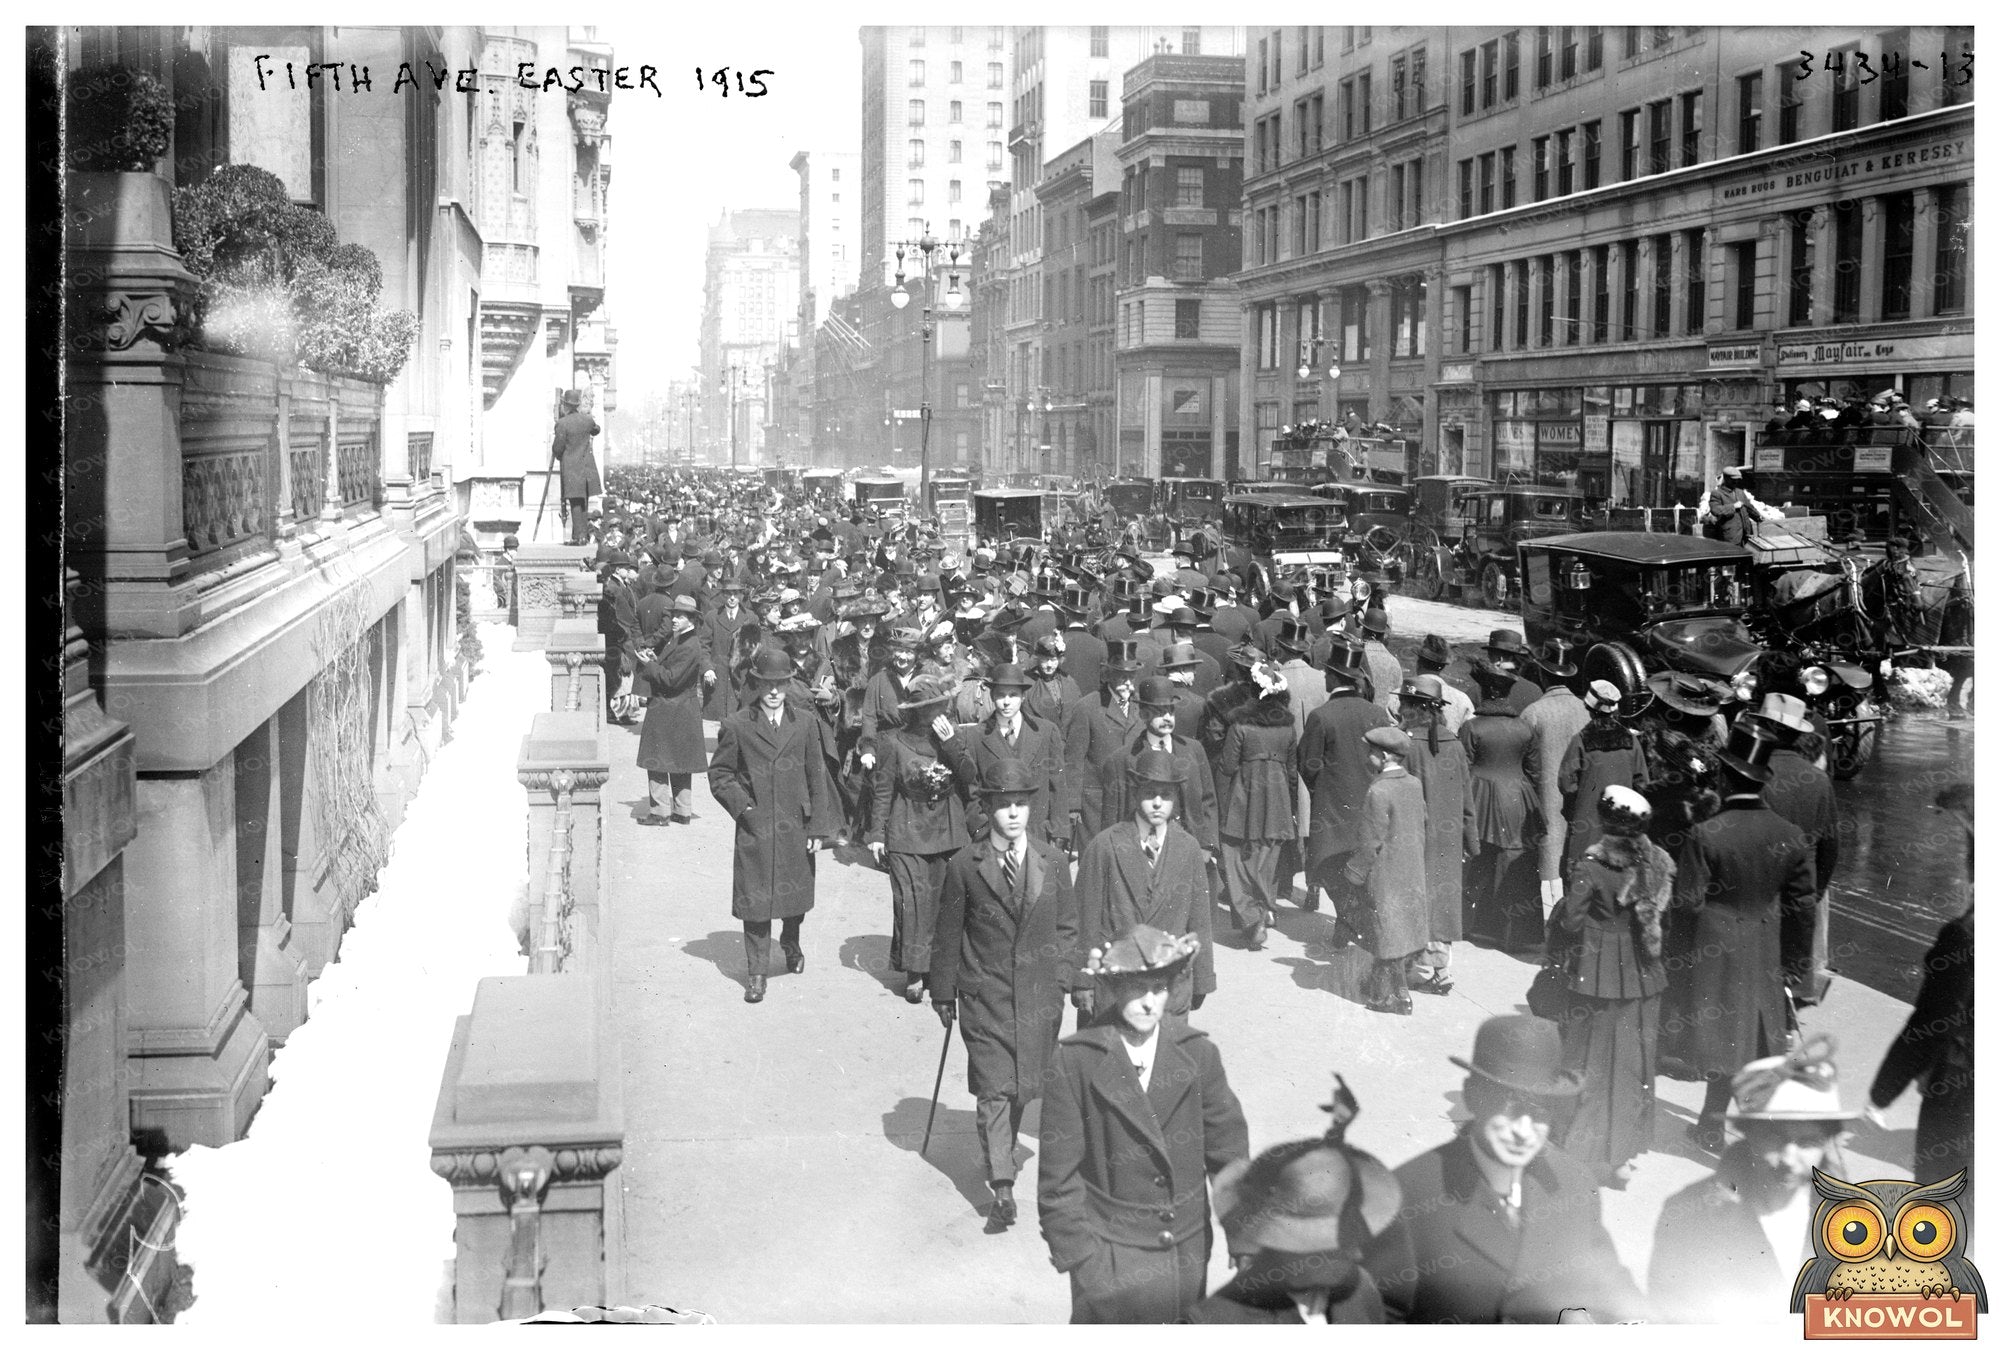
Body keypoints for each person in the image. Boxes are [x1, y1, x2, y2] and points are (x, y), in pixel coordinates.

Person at [1363, 1015, 1649, 1324]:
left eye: (1539, 1112)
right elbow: (1376, 1318)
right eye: (1509, 1109)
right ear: (1474, 1097)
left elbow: (1607, 1281)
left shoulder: (1574, 1182)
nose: (1523, 1132)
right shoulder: (1408, 1195)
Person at [1037, 924, 1250, 1323]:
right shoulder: (1076, 1061)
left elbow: (1230, 1155)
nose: (1150, 1003)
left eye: (1160, 988)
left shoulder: (1199, 1055)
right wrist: (1085, 1263)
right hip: (1109, 1255)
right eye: (1137, 989)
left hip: (1184, 1252)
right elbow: (1057, 1182)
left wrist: (1245, 1238)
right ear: (1115, 989)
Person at [929, 758, 1079, 1226]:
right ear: (988, 808)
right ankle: (1002, 1186)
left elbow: (1068, 927)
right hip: (984, 996)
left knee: (1019, 1089)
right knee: (995, 1088)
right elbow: (948, 933)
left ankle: (1002, 1152)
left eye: (1020, 804)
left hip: (1038, 999)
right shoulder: (964, 866)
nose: (1013, 813)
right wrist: (943, 992)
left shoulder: (1052, 862)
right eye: (1003, 805)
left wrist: (1060, 979)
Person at [1670, 719, 1818, 1153]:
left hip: (1715, 944)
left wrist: (1678, 957)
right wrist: (1794, 964)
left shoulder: (1705, 832)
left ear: (1725, 775)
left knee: (1720, 1034)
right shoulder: (1790, 835)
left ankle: (1712, 1125)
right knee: (1758, 1034)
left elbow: (1687, 904)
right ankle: (1758, 1132)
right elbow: (1803, 907)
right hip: (1765, 943)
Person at [1649, 1036, 1863, 1322]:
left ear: (1827, 1143)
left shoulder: (1859, 1222)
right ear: (1748, 1134)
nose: (1789, 1158)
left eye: (1807, 1141)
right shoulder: (1689, 1214)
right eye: (1776, 1137)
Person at [1546, 785, 1672, 1189]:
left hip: (1596, 971)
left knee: (1586, 1061)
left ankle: (1579, 1150)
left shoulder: (1591, 863)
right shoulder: (1657, 862)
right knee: (1634, 1066)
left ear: (1603, 819)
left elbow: (1571, 922)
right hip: (1643, 972)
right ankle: (1623, 1157)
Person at [707, 649, 841, 1003]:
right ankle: (757, 972)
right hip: (756, 827)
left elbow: (817, 775)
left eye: (779, 684)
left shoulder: (805, 723)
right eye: (767, 684)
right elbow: (720, 775)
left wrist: (818, 829)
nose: (773, 692)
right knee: (755, 900)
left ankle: (791, 942)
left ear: (787, 685)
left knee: (793, 898)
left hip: (796, 824)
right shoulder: (737, 725)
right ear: (757, 684)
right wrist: (745, 808)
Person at [1869, 781, 1973, 1207]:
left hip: (1963, 1095)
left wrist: (1882, 1092)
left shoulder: (1964, 936)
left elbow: (1931, 1023)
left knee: (1948, 1205)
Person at [1189, 1124, 1399, 1324]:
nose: (1357, 1255)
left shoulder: (1359, 1290)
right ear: (1288, 1244)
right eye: (1338, 1246)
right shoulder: (1213, 1322)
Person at [1071, 749, 1218, 1021]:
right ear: (1136, 793)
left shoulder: (1188, 849)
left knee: (1162, 1060)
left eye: (1167, 795)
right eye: (1150, 794)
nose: (1158, 803)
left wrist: (1202, 979)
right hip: (1113, 988)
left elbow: (1200, 921)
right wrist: (1082, 980)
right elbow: (1084, 918)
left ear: (1176, 798)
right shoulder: (1104, 846)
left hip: (1168, 987)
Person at [868, 669, 978, 1004]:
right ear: (916, 712)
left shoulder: (952, 737)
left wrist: (952, 744)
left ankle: (939, 970)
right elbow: (883, 790)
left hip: (947, 830)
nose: (938, 714)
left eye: (940, 706)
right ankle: (915, 971)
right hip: (906, 830)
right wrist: (876, 834)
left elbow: (971, 777)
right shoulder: (893, 743)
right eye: (930, 709)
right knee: (911, 902)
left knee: (945, 902)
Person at [1300, 647, 1392, 944]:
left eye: (1327, 672)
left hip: (1332, 808)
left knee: (1329, 869)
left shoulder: (1321, 716)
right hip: (1371, 804)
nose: (1324, 676)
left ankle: (1350, 922)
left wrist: (1324, 787)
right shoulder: (1377, 714)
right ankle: (1347, 924)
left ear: (1334, 677)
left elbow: (1307, 763)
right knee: (1359, 871)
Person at [1214, 660, 1299, 952]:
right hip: (1276, 798)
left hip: (1245, 795)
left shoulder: (1239, 724)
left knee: (1236, 855)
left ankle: (1251, 917)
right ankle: (1264, 909)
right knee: (1267, 857)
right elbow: (1291, 771)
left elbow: (1227, 765)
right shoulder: (1287, 726)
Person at [1462, 659, 1544, 952]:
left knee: (1479, 860)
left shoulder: (1472, 727)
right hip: (1519, 797)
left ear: (1486, 692)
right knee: (1516, 864)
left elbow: (1462, 768)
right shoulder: (1524, 728)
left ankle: (1476, 926)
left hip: (1481, 796)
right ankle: (1519, 934)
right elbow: (1534, 771)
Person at [1347, 726, 1430, 1016]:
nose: (1368, 756)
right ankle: (1400, 994)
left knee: (1384, 933)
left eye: (1371, 752)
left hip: (1385, 873)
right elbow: (1423, 821)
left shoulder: (1378, 790)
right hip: (1410, 868)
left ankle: (1387, 998)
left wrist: (1355, 871)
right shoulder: (1414, 784)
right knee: (1399, 932)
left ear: (1383, 756)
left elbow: (1370, 840)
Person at [1399, 675, 1468, 997]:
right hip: (1449, 840)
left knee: (1410, 899)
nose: (1399, 707)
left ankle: (1404, 966)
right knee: (1442, 902)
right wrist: (1471, 839)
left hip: (1415, 837)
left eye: (1404, 702)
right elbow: (1467, 798)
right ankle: (1440, 969)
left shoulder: (1407, 744)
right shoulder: (1454, 744)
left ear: (1414, 708)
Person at [963, 661, 1066, 848]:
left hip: (1037, 834)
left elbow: (1057, 784)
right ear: (992, 696)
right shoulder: (975, 736)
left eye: (1013, 695)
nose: (1007, 701)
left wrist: (1059, 830)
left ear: (1023, 697)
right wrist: (981, 829)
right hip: (994, 836)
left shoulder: (1046, 731)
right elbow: (972, 789)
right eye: (1000, 695)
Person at [1517, 639, 1587, 910]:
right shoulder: (1585, 709)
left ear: (1542, 675)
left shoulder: (1533, 713)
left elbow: (1524, 764)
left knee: (1548, 868)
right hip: (1577, 804)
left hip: (1544, 804)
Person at [634, 595, 716, 826]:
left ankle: (660, 813)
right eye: (673, 615)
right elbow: (671, 670)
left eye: (680, 616)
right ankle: (681, 811)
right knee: (680, 762)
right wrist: (655, 660)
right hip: (680, 710)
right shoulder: (682, 639)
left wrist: (648, 665)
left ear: (691, 619)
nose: (674, 619)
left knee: (657, 761)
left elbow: (671, 679)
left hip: (669, 707)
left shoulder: (689, 645)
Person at [1557, 681, 1650, 874]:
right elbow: (1642, 782)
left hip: (1587, 822)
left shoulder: (1581, 740)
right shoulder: (1630, 740)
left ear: (1588, 707)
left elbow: (1567, 783)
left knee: (1583, 874)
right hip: (1622, 822)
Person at [550, 388, 602, 545]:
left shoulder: (562, 423)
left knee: (574, 502)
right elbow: (596, 429)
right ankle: (581, 535)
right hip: (586, 467)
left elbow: (557, 448)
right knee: (583, 501)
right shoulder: (587, 420)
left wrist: (561, 455)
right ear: (578, 404)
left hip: (571, 468)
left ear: (565, 405)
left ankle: (578, 537)